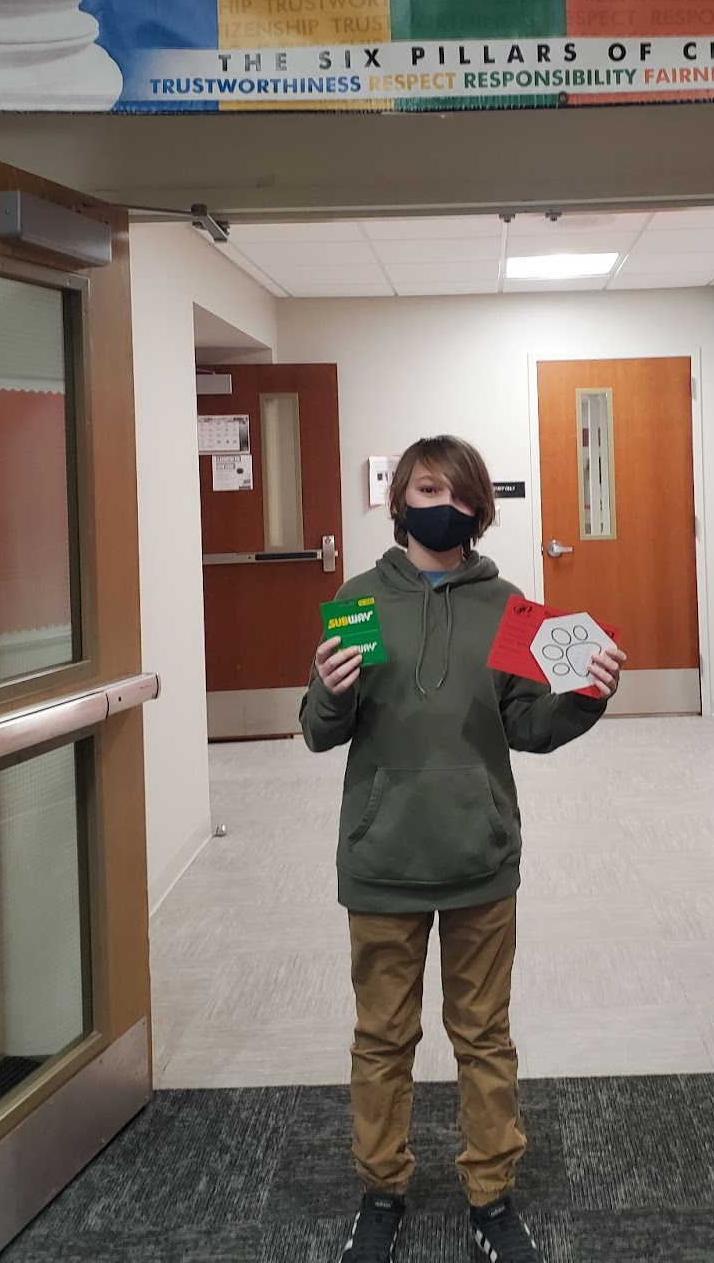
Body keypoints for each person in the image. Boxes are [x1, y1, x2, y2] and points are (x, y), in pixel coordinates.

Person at [301, 436, 625, 1263]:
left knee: (484, 1036)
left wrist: (585, 699)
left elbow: (527, 726)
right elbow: (318, 731)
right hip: (382, 858)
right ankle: (382, 1191)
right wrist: (329, 693)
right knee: (382, 1038)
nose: (439, 504)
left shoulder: (509, 607)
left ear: (478, 510)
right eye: (424, 489)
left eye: (456, 493)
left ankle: (491, 1196)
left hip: (480, 857)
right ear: (399, 502)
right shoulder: (359, 599)